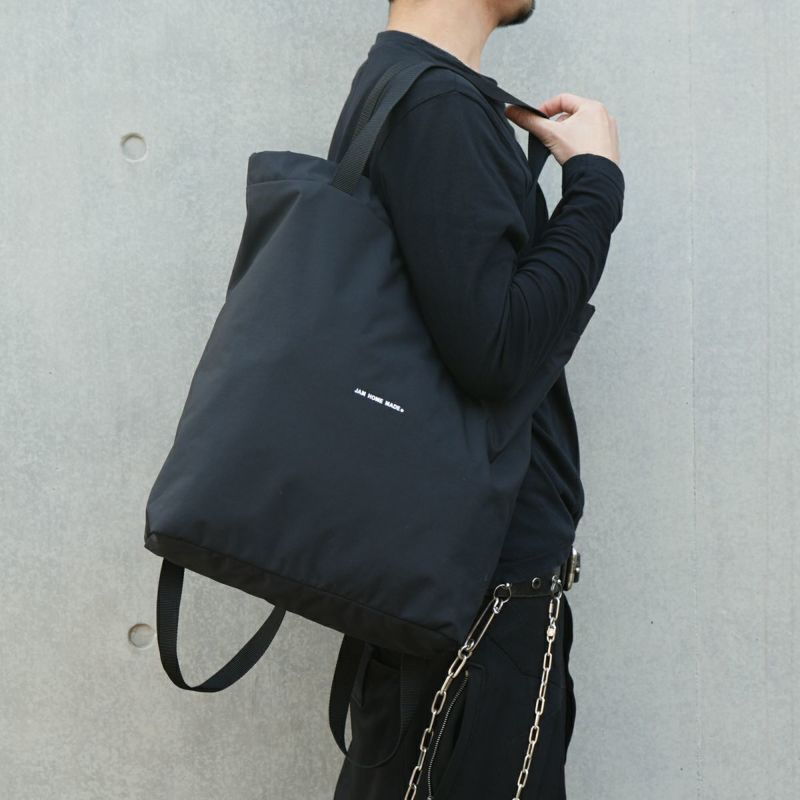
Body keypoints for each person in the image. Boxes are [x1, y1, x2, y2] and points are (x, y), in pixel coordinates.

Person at [326, 1, 624, 797]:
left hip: (457, 583)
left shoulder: (409, 88)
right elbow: (495, 349)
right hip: (484, 596)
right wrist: (595, 185)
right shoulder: (435, 104)